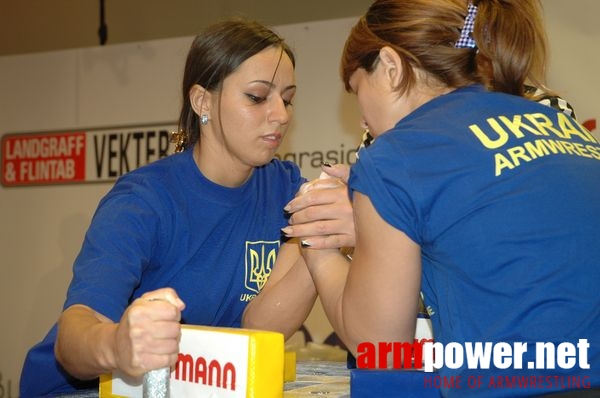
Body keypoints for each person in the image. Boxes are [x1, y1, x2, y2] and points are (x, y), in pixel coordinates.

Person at [282, 1, 600, 397]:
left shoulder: (398, 154)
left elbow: (379, 345)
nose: (362, 121)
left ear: (390, 66)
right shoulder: (562, 125)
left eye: (357, 90)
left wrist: (316, 246)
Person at [19, 18, 318, 397]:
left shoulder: (286, 186)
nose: (282, 115)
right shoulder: (143, 200)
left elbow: (259, 327)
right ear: (202, 101)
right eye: (258, 97)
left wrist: (325, 234)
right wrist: (118, 345)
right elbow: (74, 334)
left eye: (288, 98)